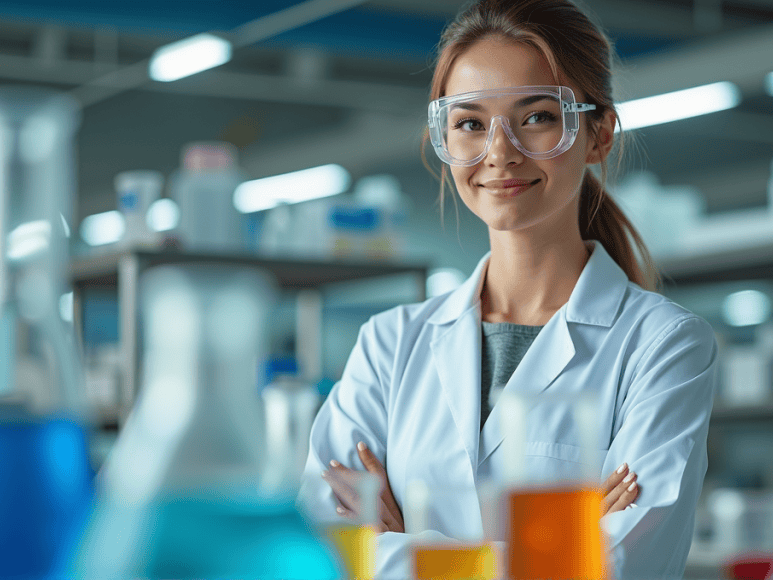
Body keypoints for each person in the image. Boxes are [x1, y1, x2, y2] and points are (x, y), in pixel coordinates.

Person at [297, 0, 718, 577]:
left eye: (537, 117)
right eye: (470, 123)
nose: (500, 152)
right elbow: (318, 552)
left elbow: (621, 566)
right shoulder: (390, 345)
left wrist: (397, 547)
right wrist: (559, 547)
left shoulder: (664, 345)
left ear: (598, 134)